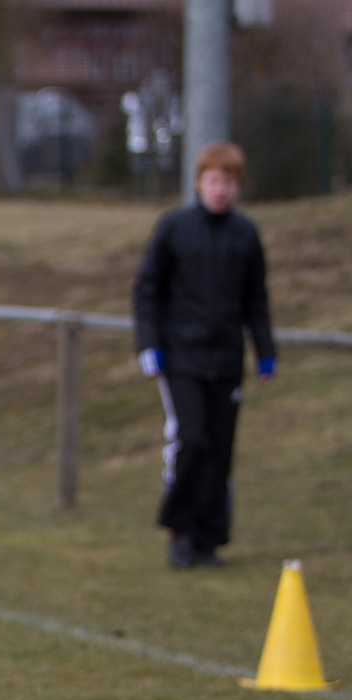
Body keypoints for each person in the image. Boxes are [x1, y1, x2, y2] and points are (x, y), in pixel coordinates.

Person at [133, 140, 278, 570]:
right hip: (182, 357)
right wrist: (149, 344)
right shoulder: (174, 228)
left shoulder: (245, 234)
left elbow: (256, 300)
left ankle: (208, 538)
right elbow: (147, 290)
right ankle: (178, 530)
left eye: (228, 182)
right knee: (191, 439)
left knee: (219, 449)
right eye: (214, 180)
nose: (220, 189)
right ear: (199, 182)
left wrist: (265, 351)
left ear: (238, 186)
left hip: (226, 360)